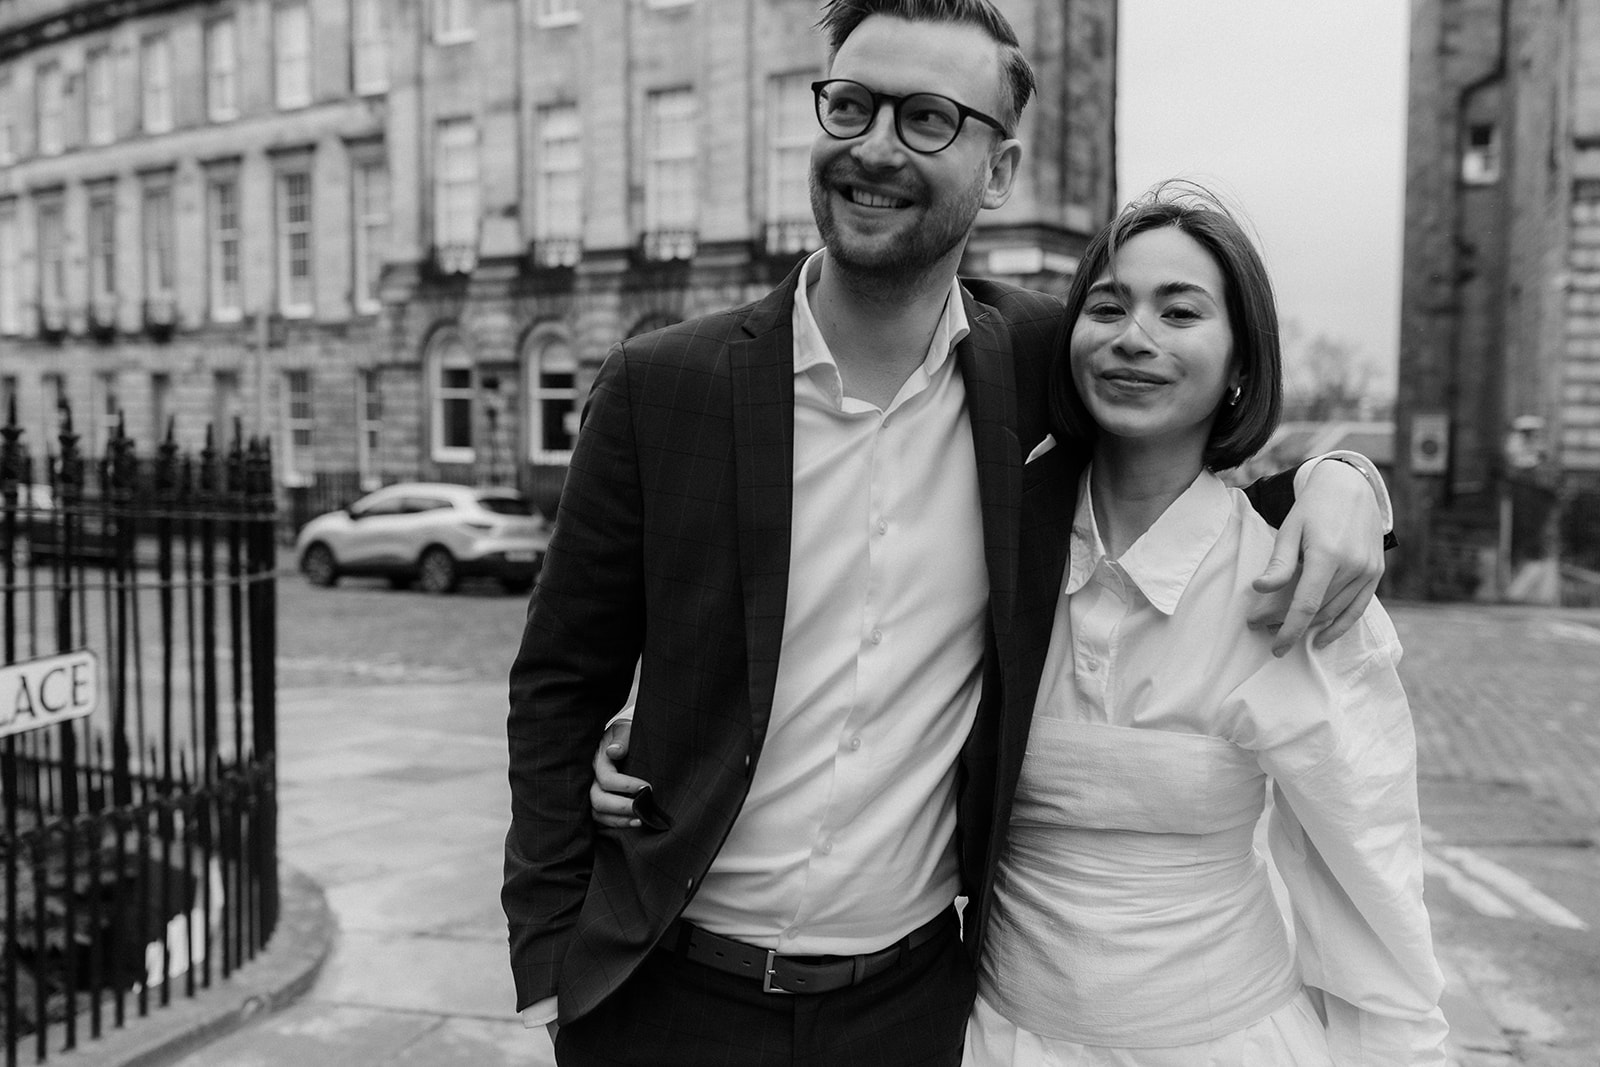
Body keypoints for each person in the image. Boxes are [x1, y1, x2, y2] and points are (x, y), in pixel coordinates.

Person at [504, 2, 1391, 1064]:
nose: (874, 146)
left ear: (1000, 167)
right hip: (665, 994)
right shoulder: (664, 386)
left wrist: (1345, 483)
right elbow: (559, 681)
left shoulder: (1042, 366)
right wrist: (557, 970)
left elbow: (1184, 437)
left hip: (912, 1010)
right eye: (849, 105)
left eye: (928, 117)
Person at [960, 186, 1448, 1065]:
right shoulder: (993, 542)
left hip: (1224, 1041)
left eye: (1179, 310)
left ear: (1239, 365)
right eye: (1107, 306)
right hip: (996, 1039)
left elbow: (1370, 870)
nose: (1134, 336)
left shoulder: (1296, 578)